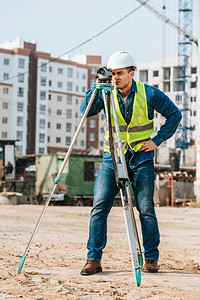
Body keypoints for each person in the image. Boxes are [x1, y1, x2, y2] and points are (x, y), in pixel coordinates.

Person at [80, 50, 182, 275]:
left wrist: (157, 140)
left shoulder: (149, 93)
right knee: (99, 208)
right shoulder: (106, 93)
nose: (115, 78)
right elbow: (84, 111)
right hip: (112, 158)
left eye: (120, 73)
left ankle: (151, 259)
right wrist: (96, 87)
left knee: (145, 209)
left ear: (131, 73)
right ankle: (93, 259)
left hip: (141, 159)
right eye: (112, 74)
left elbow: (175, 115)